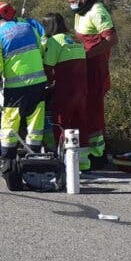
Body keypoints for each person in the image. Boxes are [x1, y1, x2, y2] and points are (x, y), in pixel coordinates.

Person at [28, 0, 118, 164]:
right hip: (82, 70)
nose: (71, 3)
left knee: (93, 113)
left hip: (95, 69)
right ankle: (85, 154)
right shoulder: (80, 7)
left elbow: (111, 39)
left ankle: (98, 154)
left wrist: (86, 56)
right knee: (83, 113)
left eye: (74, 0)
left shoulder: (97, 11)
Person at [0, 2, 49, 182]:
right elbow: (41, 50)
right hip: (38, 84)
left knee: (9, 127)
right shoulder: (29, 28)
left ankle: (7, 162)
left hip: (15, 89)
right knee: (35, 125)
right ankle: (34, 162)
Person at [41, 13, 90, 169]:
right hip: (82, 88)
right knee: (80, 122)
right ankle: (82, 161)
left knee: (61, 123)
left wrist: (48, 84)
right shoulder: (76, 39)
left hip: (65, 89)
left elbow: (48, 66)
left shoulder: (55, 41)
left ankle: (63, 159)